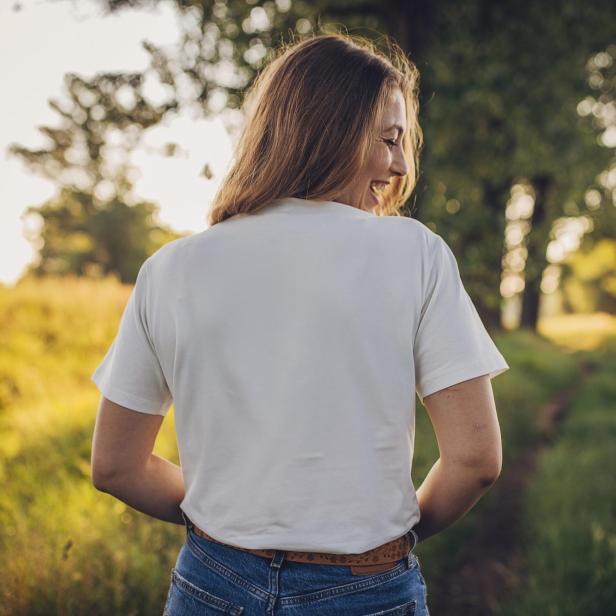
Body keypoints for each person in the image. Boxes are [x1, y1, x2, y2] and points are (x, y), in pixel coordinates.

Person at [90, 31, 509, 616]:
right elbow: (476, 460)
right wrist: (393, 541)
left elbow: (116, 465)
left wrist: (230, 519)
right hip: (365, 588)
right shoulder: (415, 253)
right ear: (331, 131)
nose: (401, 164)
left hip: (211, 583)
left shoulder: (171, 269)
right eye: (390, 139)